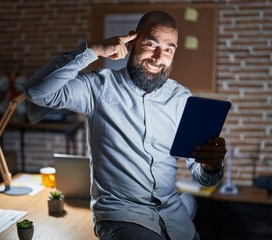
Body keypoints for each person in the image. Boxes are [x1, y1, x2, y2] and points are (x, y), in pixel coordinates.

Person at [25, 11, 226, 240]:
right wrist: (94, 50)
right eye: (151, 44)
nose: (159, 57)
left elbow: (203, 177)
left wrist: (211, 166)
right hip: (122, 216)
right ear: (132, 41)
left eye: (169, 49)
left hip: (174, 218)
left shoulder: (182, 98)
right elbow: (37, 92)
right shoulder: (99, 87)